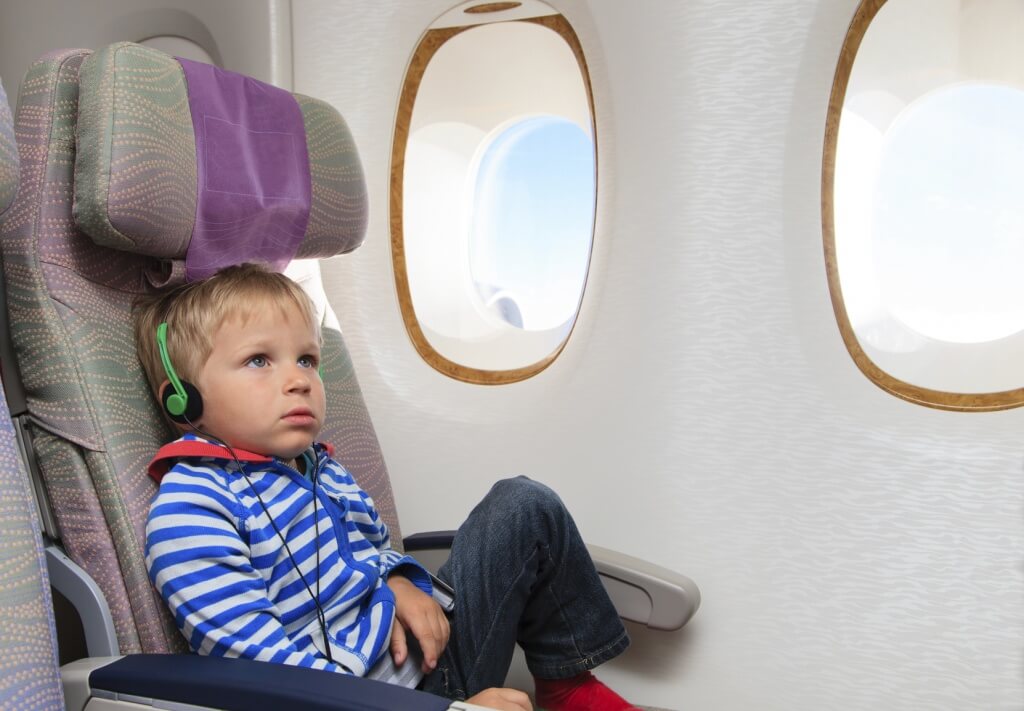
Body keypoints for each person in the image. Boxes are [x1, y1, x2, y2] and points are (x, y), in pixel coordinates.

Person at [134, 263, 639, 711]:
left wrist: (399, 583)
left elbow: (374, 549)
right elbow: (265, 681)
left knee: (523, 505)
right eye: (259, 361)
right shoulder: (193, 511)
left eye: (306, 359)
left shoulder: (321, 469)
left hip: (425, 654)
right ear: (184, 400)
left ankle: (569, 688)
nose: (299, 380)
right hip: (356, 699)